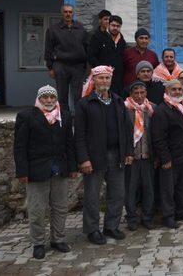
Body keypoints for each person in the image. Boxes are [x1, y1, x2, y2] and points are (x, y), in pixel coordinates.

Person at [13, 85, 77, 259]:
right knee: (37, 209)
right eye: (45, 97)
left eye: (52, 97)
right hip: (36, 170)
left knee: (60, 207)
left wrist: (72, 167)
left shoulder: (64, 115)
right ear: (39, 99)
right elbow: (20, 146)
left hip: (60, 168)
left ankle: (58, 239)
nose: (49, 101)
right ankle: (38, 243)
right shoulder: (26, 116)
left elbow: (69, 143)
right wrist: (22, 171)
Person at [75, 66, 133, 245]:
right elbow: (79, 134)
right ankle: (92, 230)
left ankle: (111, 226)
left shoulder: (117, 101)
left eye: (107, 78)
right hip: (94, 156)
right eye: (101, 78)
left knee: (117, 193)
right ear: (94, 80)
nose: (104, 82)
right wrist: (83, 158)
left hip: (117, 154)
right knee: (92, 195)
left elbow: (126, 129)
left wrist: (128, 151)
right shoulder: (85, 103)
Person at [152, 79, 183, 227]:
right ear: (167, 92)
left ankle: (182, 212)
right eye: (174, 90)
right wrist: (165, 158)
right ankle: (168, 216)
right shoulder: (162, 110)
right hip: (171, 158)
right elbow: (159, 138)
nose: (178, 92)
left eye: (179, 89)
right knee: (168, 189)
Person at [123, 81, 156, 231]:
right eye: (136, 93)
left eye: (142, 92)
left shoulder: (152, 109)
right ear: (131, 95)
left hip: (148, 156)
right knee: (131, 189)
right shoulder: (124, 109)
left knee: (148, 188)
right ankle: (132, 218)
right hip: (132, 157)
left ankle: (147, 217)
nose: (139, 96)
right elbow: (122, 134)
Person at [44, 4, 88, 112]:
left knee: (78, 96)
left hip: (78, 66)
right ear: (62, 13)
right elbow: (48, 49)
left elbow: (87, 47)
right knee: (62, 96)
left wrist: (87, 66)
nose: (68, 14)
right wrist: (50, 67)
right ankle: (65, 120)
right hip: (60, 65)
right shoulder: (53, 29)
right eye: (65, 12)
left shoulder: (80, 28)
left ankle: (79, 121)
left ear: (73, 13)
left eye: (70, 12)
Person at [88, 15, 127, 95]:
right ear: (108, 25)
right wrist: (101, 69)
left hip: (118, 77)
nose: (115, 28)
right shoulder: (98, 37)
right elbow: (91, 56)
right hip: (102, 76)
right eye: (113, 25)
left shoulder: (122, 41)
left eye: (118, 26)